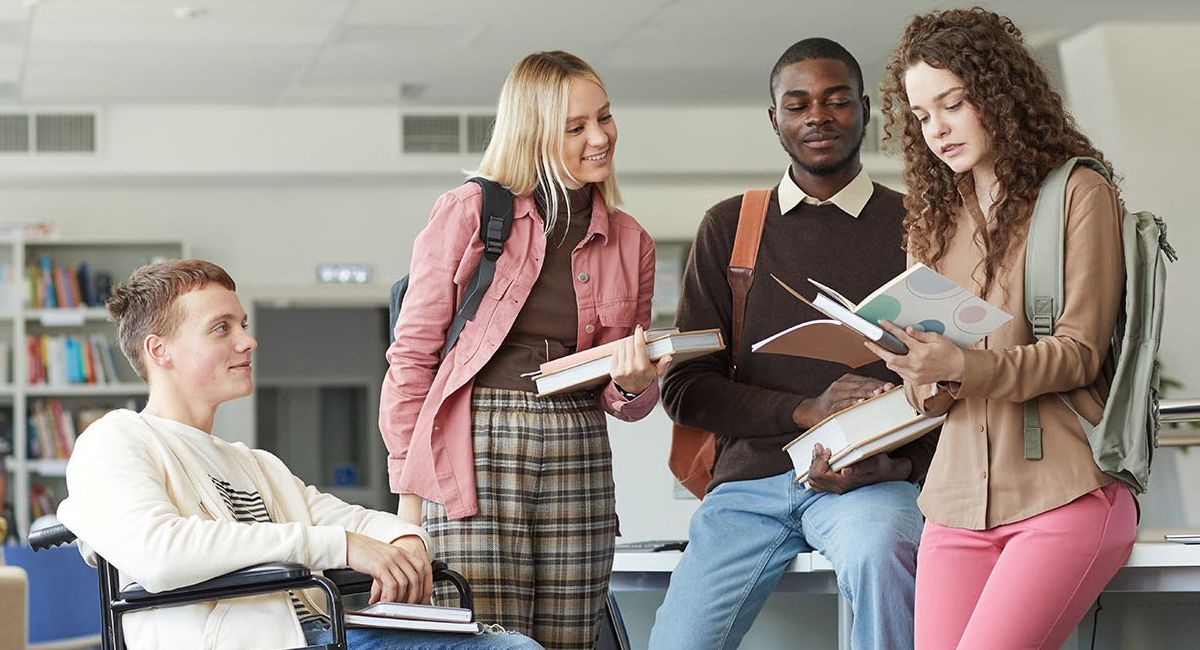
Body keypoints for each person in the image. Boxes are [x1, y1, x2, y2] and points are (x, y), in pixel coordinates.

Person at [56, 260, 541, 650]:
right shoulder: (114, 440)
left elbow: (360, 522)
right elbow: (158, 554)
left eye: (242, 324)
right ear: (159, 351)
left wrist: (409, 543)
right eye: (220, 328)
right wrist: (338, 546)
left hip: (319, 631)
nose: (247, 340)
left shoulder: (256, 465)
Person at [648, 38, 937, 650]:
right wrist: (805, 412)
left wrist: (900, 467)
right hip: (749, 487)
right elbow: (684, 389)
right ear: (774, 118)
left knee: (886, 557)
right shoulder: (731, 227)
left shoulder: (918, 226)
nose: (817, 117)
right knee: (678, 641)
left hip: (870, 485)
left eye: (835, 101)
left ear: (864, 109)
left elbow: (952, 383)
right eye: (798, 103)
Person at [379, 51, 664, 650]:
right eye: (576, 127)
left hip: (578, 441)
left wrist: (637, 382)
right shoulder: (470, 211)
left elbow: (625, 401)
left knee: (572, 640)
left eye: (604, 118)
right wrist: (407, 503)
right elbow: (412, 360)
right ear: (534, 132)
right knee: (489, 639)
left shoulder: (630, 240)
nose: (600, 137)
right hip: (476, 444)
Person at [874, 8, 1137, 649]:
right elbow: (931, 388)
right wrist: (921, 377)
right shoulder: (931, 219)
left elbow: (1078, 354)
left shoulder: (1077, 192)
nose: (937, 129)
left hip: (1067, 494)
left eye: (953, 104)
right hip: (954, 505)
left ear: (996, 93)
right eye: (922, 115)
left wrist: (961, 367)